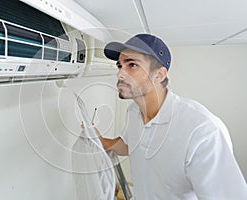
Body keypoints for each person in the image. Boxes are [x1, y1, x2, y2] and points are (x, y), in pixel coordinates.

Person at [94, 33, 247, 199]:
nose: (120, 74)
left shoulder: (203, 131)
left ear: (159, 75)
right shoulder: (133, 112)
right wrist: (101, 141)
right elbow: (130, 144)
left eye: (132, 65)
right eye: (120, 66)